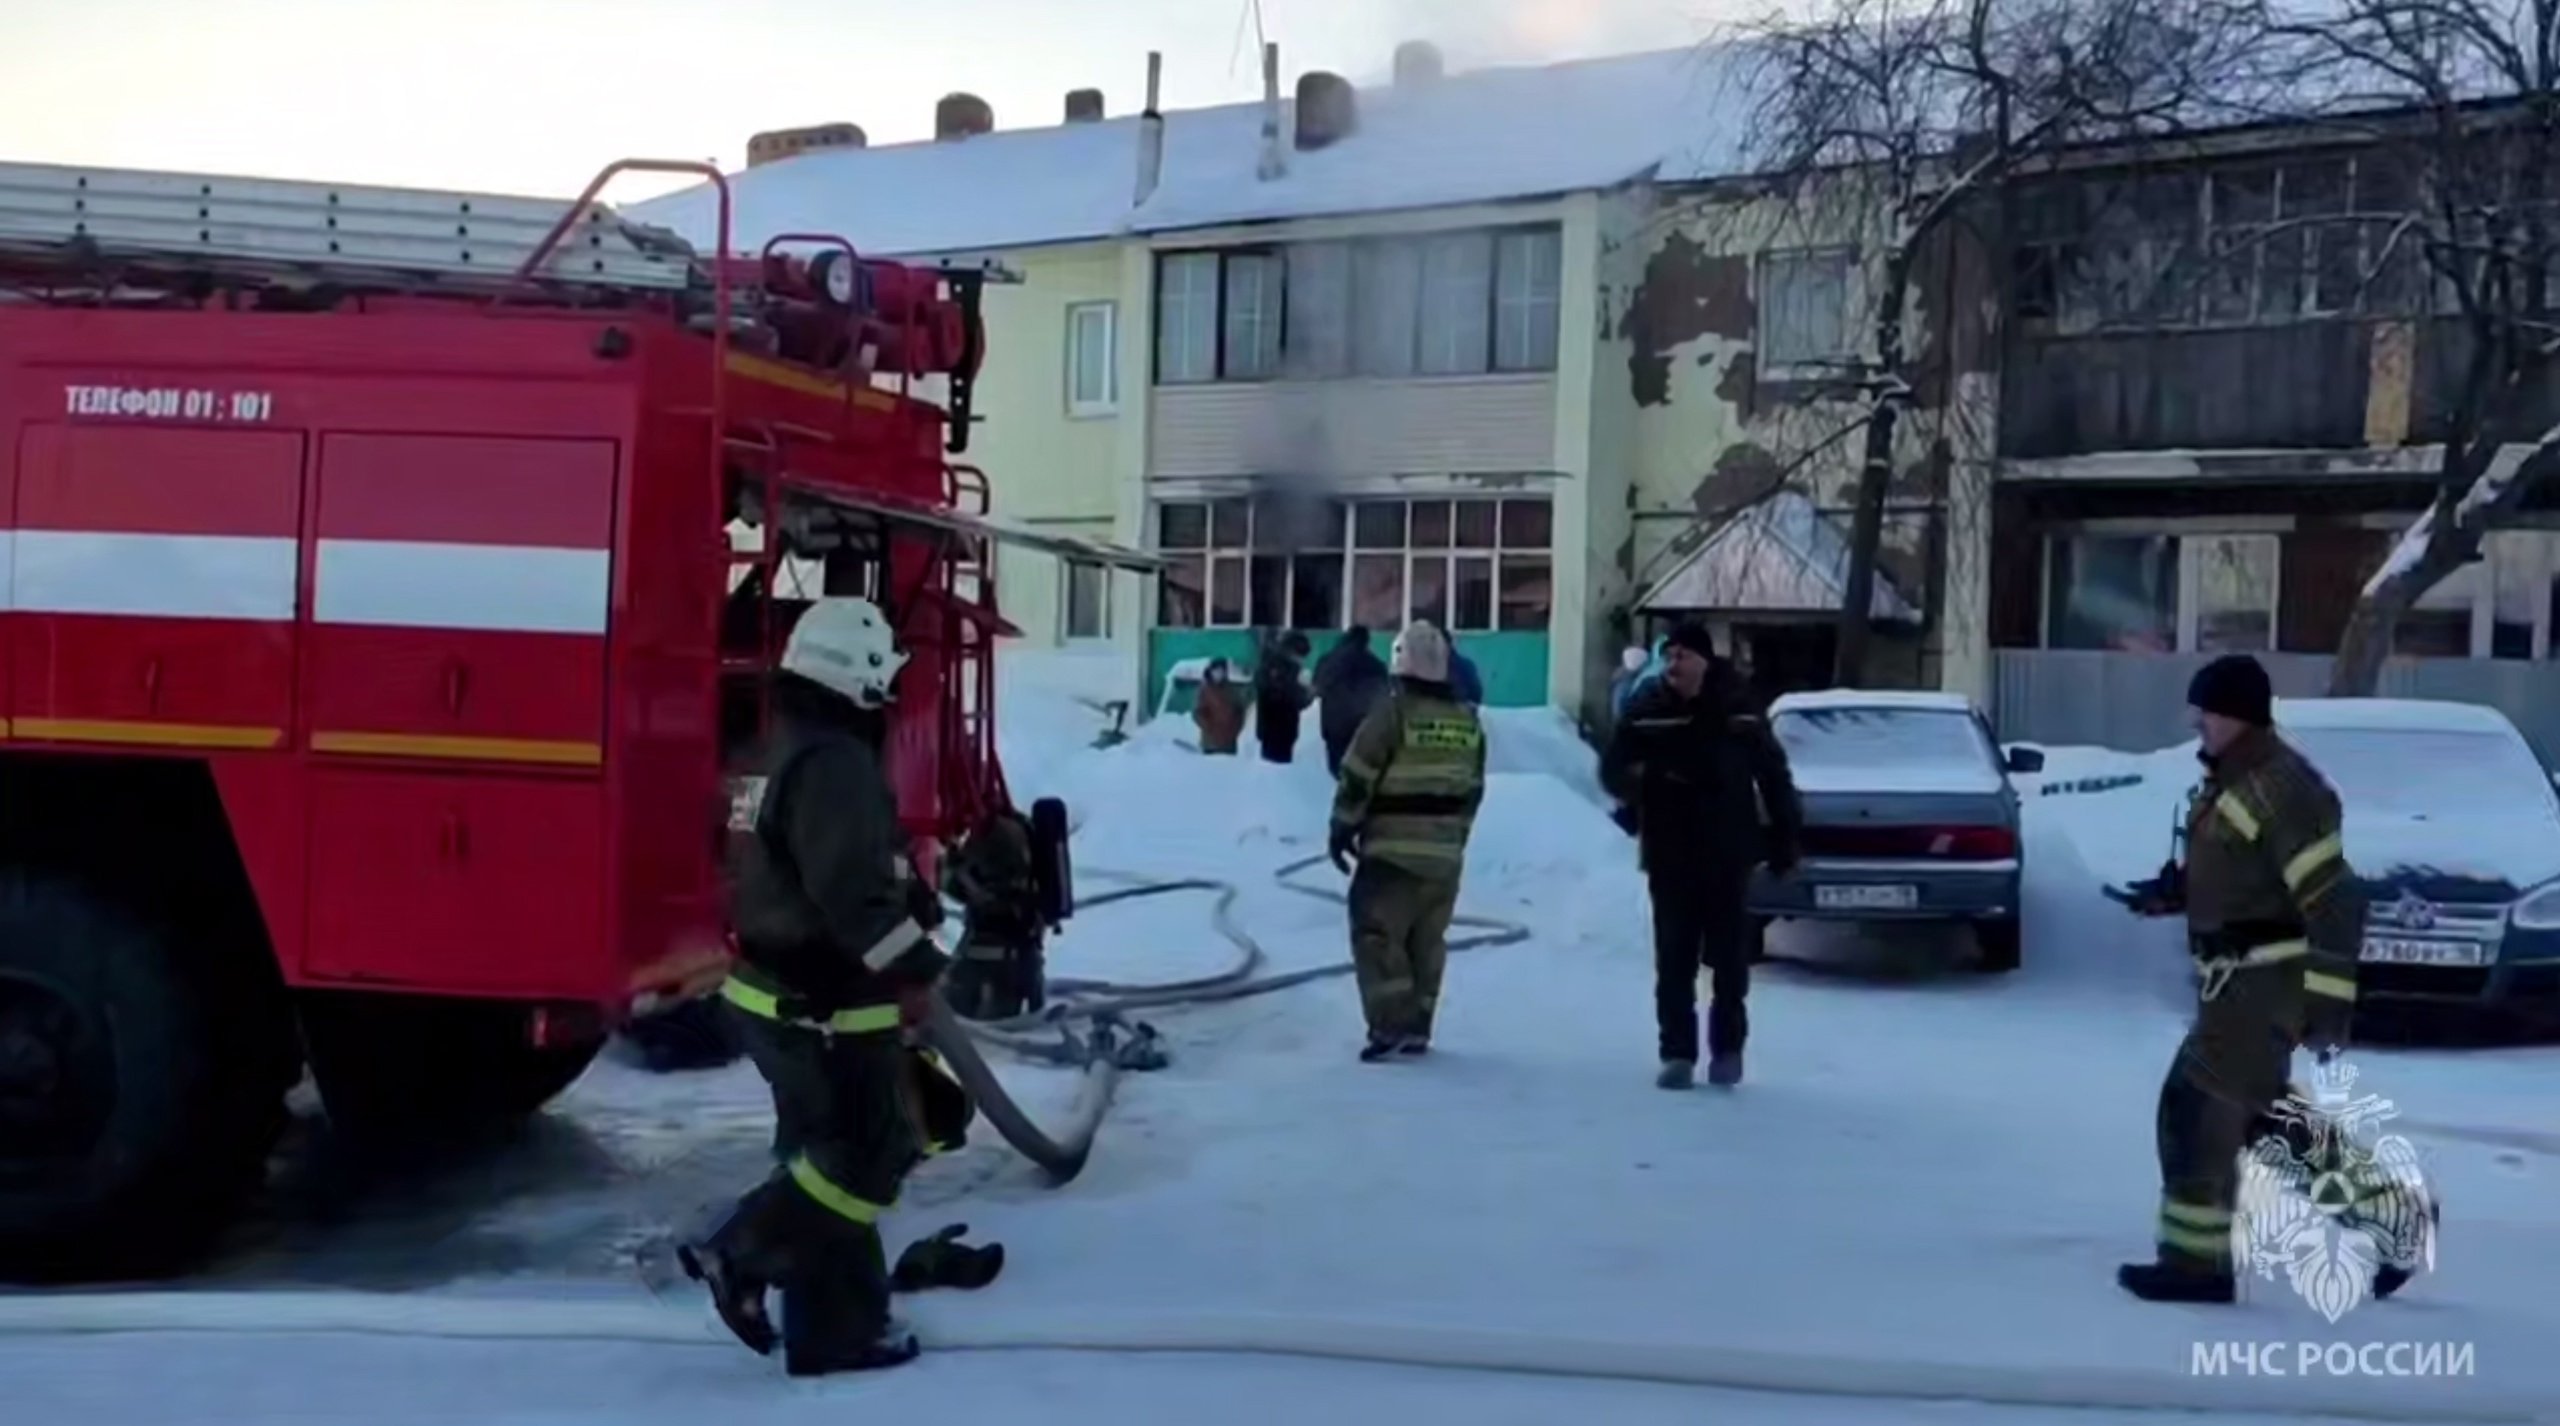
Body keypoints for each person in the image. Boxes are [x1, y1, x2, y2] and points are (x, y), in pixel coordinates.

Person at [680, 596, 1002, 1377]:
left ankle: (834, 1332)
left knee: (822, 1158)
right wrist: (917, 968)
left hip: (776, 986)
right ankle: (742, 1254)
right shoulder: (834, 764)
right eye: (882, 673)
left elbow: (795, 863)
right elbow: (849, 892)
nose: (890, 690)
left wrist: (905, 892)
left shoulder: (775, 750)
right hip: (824, 998)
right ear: (854, 674)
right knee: (868, 1154)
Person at [2112, 654, 2381, 1304]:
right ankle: (2390, 1217)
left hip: (2263, 986)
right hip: (2235, 985)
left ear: (2237, 714)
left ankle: (2195, 1265)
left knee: (2195, 1109)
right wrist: (2178, 894)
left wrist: (2328, 1006)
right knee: (2260, 1118)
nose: (2197, 721)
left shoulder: (2282, 788)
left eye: (2207, 709)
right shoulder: (2235, 780)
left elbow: (2335, 901)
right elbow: (2245, 875)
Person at [1600, 622, 1801, 1089]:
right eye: (1668, 656)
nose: (1674, 665)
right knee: (1674, 958)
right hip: (1670, 852)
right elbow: (1613, 770)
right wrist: (1645, 784)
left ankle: (1728, 1050)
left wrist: (1786, 838)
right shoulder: (1646, 708)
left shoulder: (1738, 709)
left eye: (1683, 656)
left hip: (1728, 851)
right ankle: (1677, 1054)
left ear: (1705, 661)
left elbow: (1773, 775)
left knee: (1730, 961)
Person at [1329, 621, 1487, 1061]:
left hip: (1391, 856)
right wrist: (1454, 839)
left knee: (1377, 934)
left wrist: (1342, 825)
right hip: (1444, 860)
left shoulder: (1392, 713)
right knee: (1426, 942)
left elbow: (1358, 772)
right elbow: (1474, 788)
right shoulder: (1467, 720)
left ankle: (1389, 1025)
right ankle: (1418, 1026)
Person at [1313, 624, 1393, 776]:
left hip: (1333, 725)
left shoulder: (1327, 660)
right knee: (1357, 771)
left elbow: (1317, 686)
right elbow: (1384, 694)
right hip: (1359, 726)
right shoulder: (1374, 665)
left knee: (1336, 770)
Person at [1254, 631, 1313, 763]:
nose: (1301, 660)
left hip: (1277, 729)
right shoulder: (1282, 668)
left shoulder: (1273, 664)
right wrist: (1307, 694)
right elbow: (1288, 697)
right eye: (1300, 655)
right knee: (1275, 770)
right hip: (1277, 728)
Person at [1192, 658, 1245, 755]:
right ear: (1211, 671)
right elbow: (1197, 713)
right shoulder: (1204, 690)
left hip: (1229, 744)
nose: (1218, 674)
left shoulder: (1232, 690)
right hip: (1210, 744)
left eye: (1221, 671)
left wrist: (1234, 731)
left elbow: (1239, 713)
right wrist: (1209, 727)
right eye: (1216, 670)